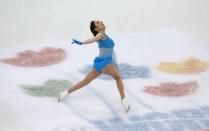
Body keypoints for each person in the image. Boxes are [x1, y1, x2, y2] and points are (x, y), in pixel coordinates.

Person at [58, 20, 131, 113]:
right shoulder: (100, 35)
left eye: (99, 21)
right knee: (118, 78)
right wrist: (81, 43)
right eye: (97, 23)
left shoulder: (103, 35)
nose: (100, 22)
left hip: (100, 63)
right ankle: (124, 100)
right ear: (96, 29)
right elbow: (93, 39)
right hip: (106, 63)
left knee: (84, 82)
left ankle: (65, 92)